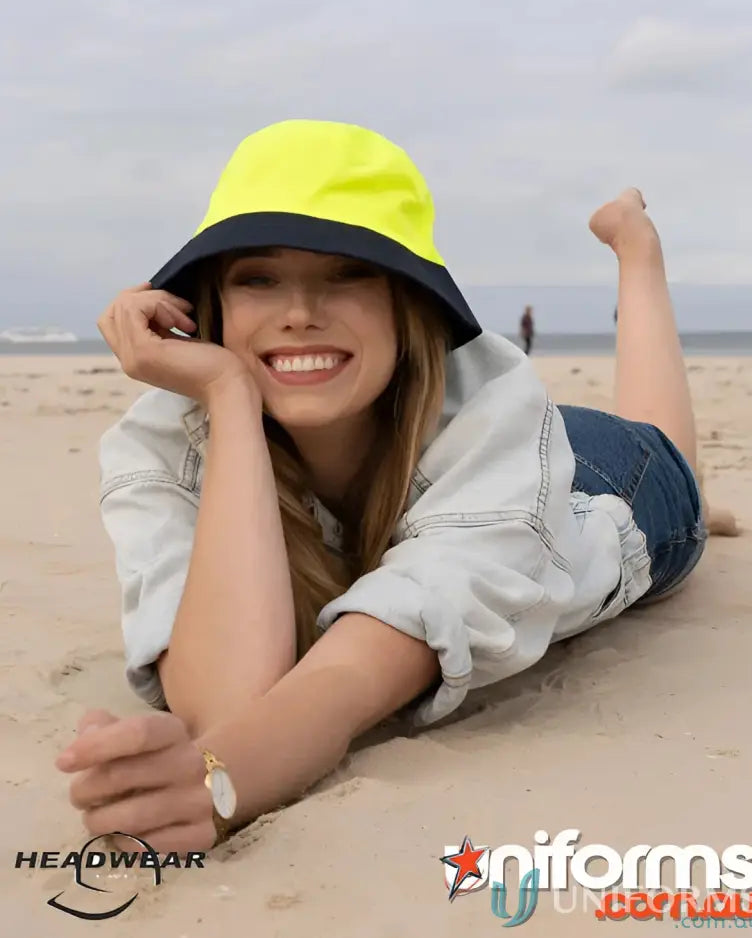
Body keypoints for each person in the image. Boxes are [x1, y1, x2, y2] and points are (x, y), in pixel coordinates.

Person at [55, 120, 710, 856]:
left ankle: (636, 250)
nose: (300, 312)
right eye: (258, 278)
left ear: (406, 301)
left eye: (347, 273)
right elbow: (228, 701)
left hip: (595, 488)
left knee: (673, 461)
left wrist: (215, 782)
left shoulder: (494, 417)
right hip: (460, 454)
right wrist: (230, 395)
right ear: (212, 309)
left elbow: (349, 681)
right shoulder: (167, 439)